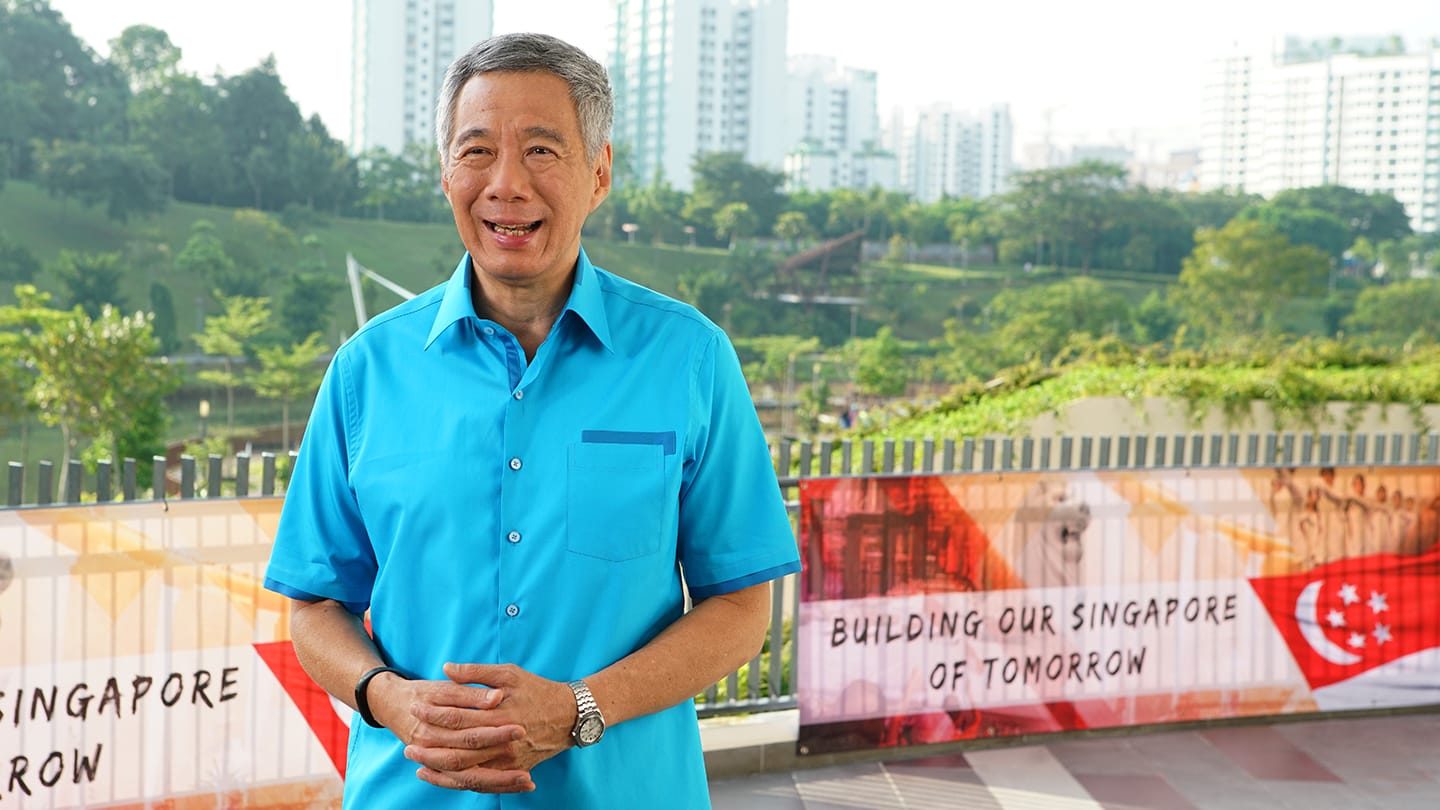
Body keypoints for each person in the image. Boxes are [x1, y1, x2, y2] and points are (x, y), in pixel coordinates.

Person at [262, 32, 801, 808]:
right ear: (445, 172)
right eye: (476, 150)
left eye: (543, 151)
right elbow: (314, 604)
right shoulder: (367, 372)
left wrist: (581, 708)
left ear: (600, 174)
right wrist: (386, 697)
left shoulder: (688, 359)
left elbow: (741, 608)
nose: (506, 185)